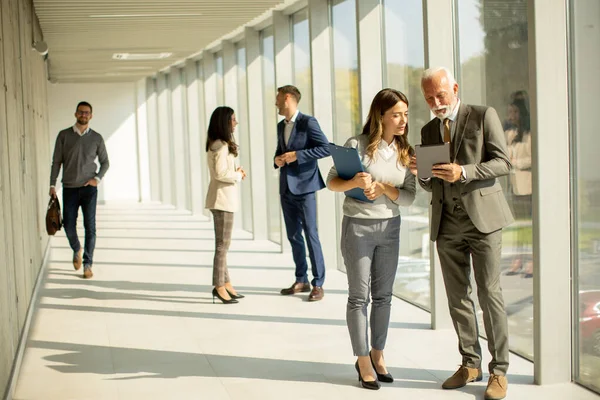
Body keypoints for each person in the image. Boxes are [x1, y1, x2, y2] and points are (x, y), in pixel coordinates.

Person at [409, 67, 514, 400]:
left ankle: (499, 371)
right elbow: (430, 182)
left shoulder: (483, 116)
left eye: (440, 95)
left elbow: (503, 163)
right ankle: (470, 363)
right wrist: (420, 172)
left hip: (482, 221)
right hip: (446, 223)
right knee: (457, 299)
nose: (436, 102)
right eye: (429, 98)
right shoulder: (428, 129)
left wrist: (464, 171)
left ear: (454, 88)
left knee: (489, 294)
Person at [327, 88, 416, 390]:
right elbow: (332, 182)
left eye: (405, 113)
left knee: (384, 297)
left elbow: (409, 197)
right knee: (358, 296)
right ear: (381, 116)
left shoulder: (408, 152)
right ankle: (363, 360)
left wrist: (385, 189)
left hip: (390, 229)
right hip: (358, 228)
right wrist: (353, 181)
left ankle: (378, 354)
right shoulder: (357, 145)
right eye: (397, 114)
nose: (403, 120)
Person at [274, 85, 330, 302]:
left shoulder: (308, 122)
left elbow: (325, 148)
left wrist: (298, 155)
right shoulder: (281, 126)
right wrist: (277, 160)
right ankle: (301, 279)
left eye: (278, 98)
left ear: (288, 98)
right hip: (286, 188)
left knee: (311, 233)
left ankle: (318, 283)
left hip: (305, 187)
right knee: (293, 235)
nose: (276, 103)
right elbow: (280, 152)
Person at [49, 101, 109, 279]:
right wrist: (52, 185)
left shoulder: (97, 138)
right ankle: (77, 248)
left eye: (87, 113)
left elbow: (105, 162)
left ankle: (87, 264)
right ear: (76, 114)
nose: (84, 115)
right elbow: (56, 162)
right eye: (81, 112)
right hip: (69, 188)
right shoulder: (64, 135)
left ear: (91, 116)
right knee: (68, 225)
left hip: (89, 189)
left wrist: (96, 179)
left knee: (90, 227)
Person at [205, 106, 247, 304]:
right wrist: (238, 175)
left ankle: (226, 283)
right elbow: (220, 174)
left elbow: (221, 171)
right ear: (224, 122)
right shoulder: (221, 146)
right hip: (223, 200)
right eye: (233, 119)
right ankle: (218, 286)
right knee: (222, 246)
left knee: (224, 245)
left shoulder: (217, 144)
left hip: (221, 199)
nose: (235, 122)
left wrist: (234, 171)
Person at [503, 97, 533, 278]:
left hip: (527, 186)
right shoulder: (510, 134)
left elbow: (533, 157)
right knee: (519, 226)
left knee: (528, 226)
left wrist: (516, 163)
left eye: (514, 112)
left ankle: (530, 260)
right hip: (514, 186)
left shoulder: (530, 134)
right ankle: (518, 259)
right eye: (510, 112)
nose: (511, 116)